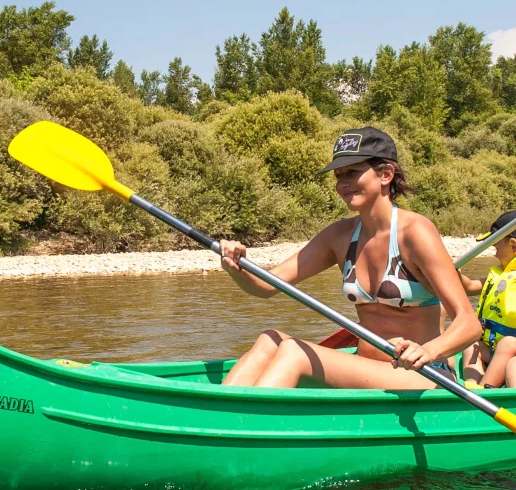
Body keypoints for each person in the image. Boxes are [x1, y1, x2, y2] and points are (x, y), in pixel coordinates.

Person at [220, 127, 481, 390]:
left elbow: (469, 324)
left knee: (293, 352)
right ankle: (218, 410)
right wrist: (235, 264)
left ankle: (241, 414)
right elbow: (265, 286)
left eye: (352, 172)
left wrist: (429, 351)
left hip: (422, 373)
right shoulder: (340, 235)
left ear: (386, 174)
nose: (342, 184)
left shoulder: (414, 232)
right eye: (338, 175)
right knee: (269, 340)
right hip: (365, 366)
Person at [459, 211, 516, 389]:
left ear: (513, 245)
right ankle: (471, 385)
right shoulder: (499, 275)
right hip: (493, 347)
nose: (493, 249)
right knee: (470, 342)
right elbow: (469, 286)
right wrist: (452, 271)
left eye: (496, 243)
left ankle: (483, 391)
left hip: (511, 348)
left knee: (507, 344)